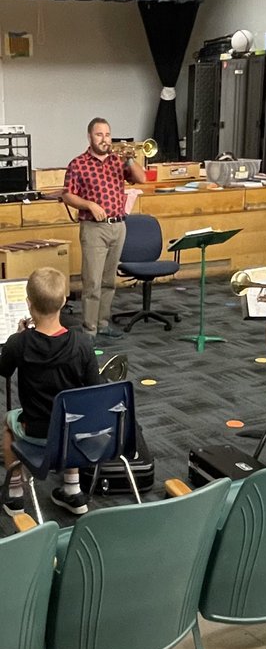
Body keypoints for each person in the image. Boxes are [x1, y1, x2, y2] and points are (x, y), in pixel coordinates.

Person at [0, 267, 100, 518]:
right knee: (73, 415)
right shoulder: (83, 343)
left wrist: (20, 337)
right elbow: (95, 390)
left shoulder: (19, 343)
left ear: (28, 303)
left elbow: (3, 369)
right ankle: (72, 489)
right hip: (74, 434)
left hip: (35, 431)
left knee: (9, 424)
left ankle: (14, 495)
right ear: (64, 300)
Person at [63, 118, 146, 340]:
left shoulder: (118, 161)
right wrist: (89, 204)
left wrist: (129, 160)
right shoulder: (78, 163)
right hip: (93, 228)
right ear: (90, 137)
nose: (104, 139)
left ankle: (102, 322)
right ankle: (89, 329)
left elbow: (142, 179)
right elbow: (68, 195)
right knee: (92, 281)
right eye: (99, 134)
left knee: (109, 281)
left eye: (108, 135)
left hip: (118, 226)